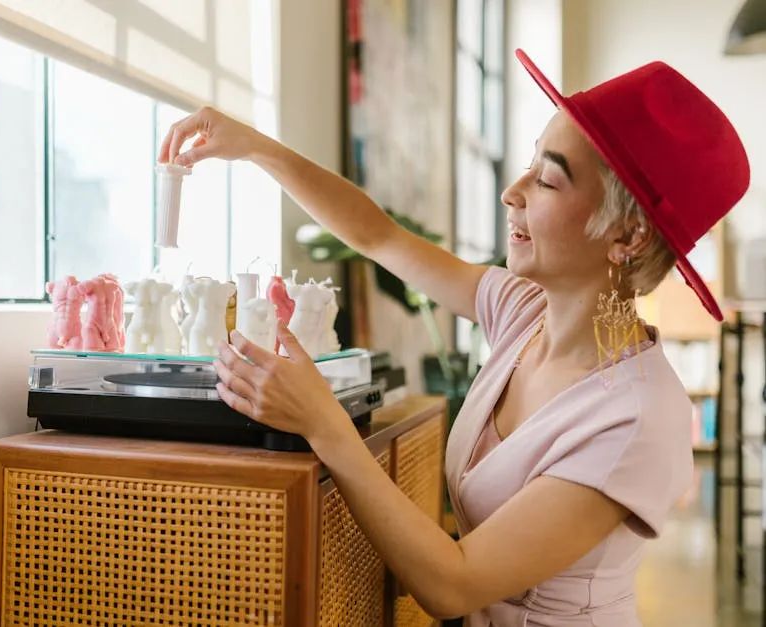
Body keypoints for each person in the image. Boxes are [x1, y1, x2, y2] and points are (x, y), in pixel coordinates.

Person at [157, 49, 750, 624]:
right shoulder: (523, 311)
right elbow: (379, 237)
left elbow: (454, 583)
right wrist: (256, 146)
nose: (510, 192)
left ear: (628, 237)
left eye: (546, 179)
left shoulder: (639, 417)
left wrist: (323, 422)